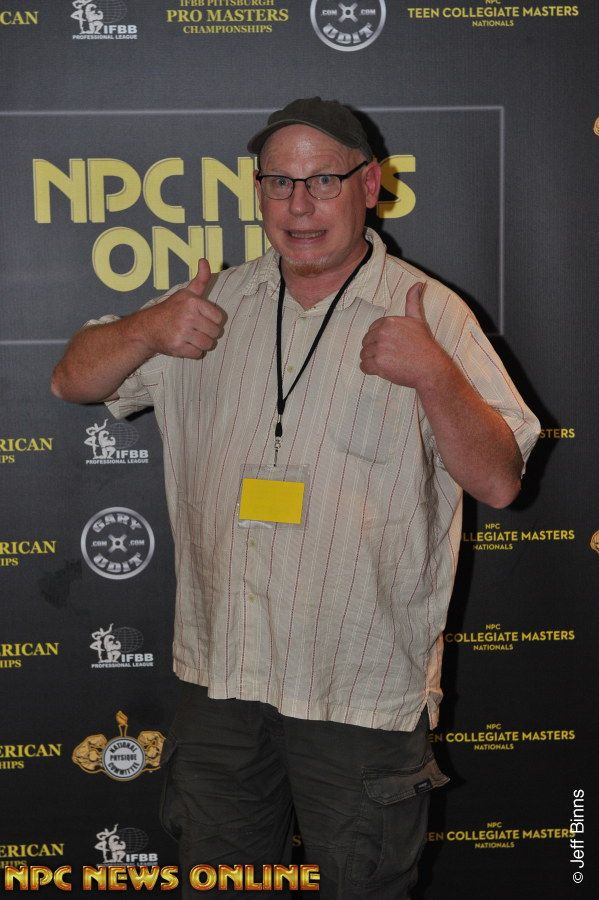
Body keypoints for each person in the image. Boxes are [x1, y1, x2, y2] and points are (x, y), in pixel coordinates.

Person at [52, 97, 540, 898]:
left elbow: (498, 479)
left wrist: (433, 375)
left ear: (369, 185)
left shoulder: (430, 313)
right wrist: (144, 329)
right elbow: (71, 380)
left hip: (356, 690)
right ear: (257, 192)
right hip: (222, 680)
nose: (299, 205)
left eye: (322, 180)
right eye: (279, 182)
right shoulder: (209, 305)